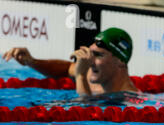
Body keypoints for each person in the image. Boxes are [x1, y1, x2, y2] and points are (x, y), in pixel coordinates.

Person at [2, 27, 137, 96]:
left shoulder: (127, 99)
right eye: (90, 54)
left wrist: (80, 76)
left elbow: (86, 118)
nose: (90, 61)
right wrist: (32, 62)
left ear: (120, 61)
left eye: (99, 55)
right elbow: (67, 68)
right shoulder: (95, 75)